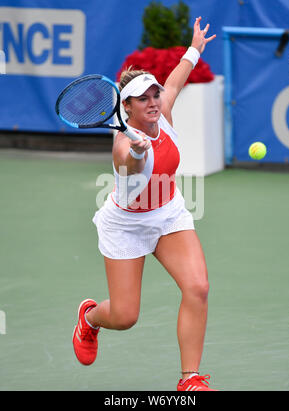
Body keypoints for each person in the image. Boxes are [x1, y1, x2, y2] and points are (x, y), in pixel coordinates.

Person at [72, 17, 217, 391]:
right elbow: (127, 164)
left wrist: (194, 48)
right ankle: (90, 318)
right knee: (124, 317)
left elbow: (174, 80)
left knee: (198, 287)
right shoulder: (124, 142)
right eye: (144, 98)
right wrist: (138, 151)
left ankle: (190, 379)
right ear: (127, 106)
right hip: (126, 227)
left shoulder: (161, 107)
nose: (154, 101)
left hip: (168, 214)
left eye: (154, 95)